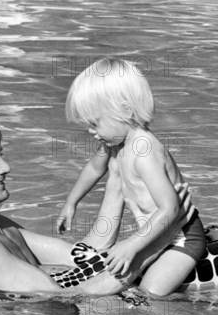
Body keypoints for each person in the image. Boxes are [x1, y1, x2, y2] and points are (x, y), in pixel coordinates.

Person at [0, 110, 194, 296]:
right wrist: (166, 238)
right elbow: (65, 295)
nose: (6, 167)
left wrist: (117, 179)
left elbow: (88, 257)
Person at [56, 58, 206, 296]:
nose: (91, 132)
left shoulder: (144, 151)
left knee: (151, 290)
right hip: (152, 233)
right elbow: (95, 167)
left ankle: (203, 302)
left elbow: (169, 208)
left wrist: (130, 245)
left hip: (181, 238)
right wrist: (71, 202)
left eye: (94, 124)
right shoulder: (115, 140)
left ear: (125, 112)